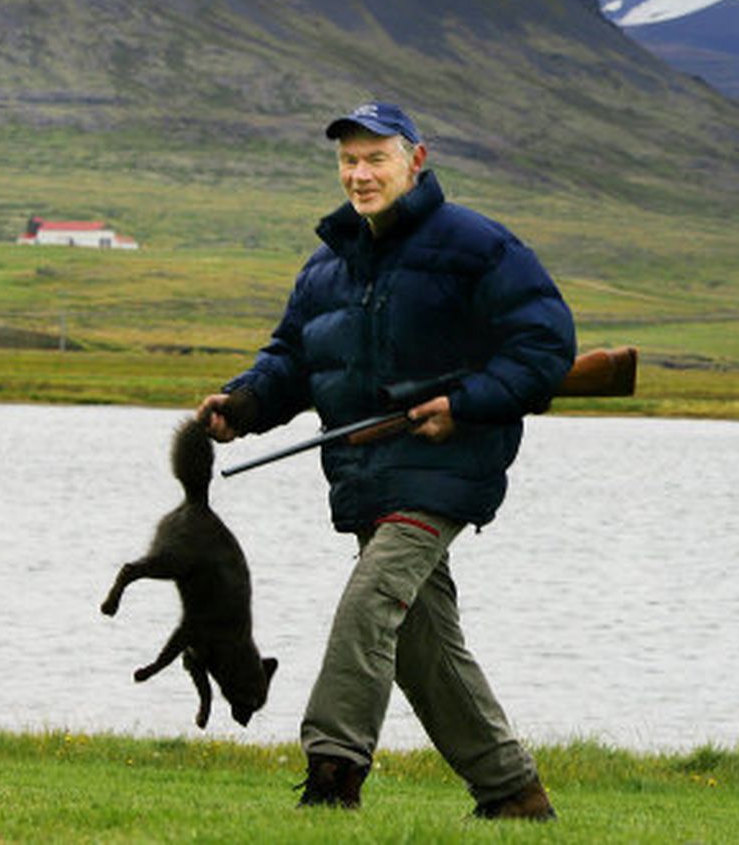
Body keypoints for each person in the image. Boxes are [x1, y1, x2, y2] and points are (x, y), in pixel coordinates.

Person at [198, 100, 575, 819]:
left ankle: (332, 778)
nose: (359, 173)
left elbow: (545, 346)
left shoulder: (479, 245)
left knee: (370, 603)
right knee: (421, 643)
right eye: (349, 159)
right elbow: (293, 359)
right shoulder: (326, 264)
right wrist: (244, 403)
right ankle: (512, 793)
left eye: (376, 157)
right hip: (365, 477)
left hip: (446, 471)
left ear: (416, 160)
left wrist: (463, 404)